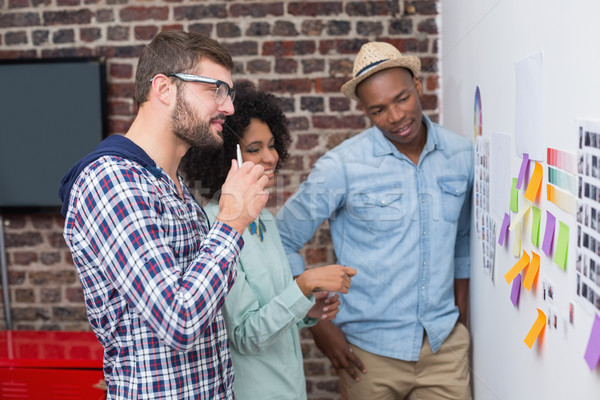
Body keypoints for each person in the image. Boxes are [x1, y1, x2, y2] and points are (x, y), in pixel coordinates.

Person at [58, 31, 269, 400]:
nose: (229, 107)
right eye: (215, 89)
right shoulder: (112, 180)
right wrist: (233, 220)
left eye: (228, 93)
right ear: (164, 88)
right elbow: (179, 321)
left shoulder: (169, 184)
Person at [276, 41, 474, 399]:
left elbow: (461, 238)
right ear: (364, 111)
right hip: (367, 354)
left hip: (444, 349)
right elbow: (282, 238)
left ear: (417, 83)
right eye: (378, 110)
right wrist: (318, 323)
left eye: (402, 98)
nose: (396, 117)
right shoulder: (342, 166)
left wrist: (463, 316)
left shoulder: (461, 155)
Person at [179, 81, 357, 400]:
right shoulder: (215, 225)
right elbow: (245, 335)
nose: (270, 157)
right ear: (226, 156)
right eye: (254, 148)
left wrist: (306, 309)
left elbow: (272, 311)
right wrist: (302, 285)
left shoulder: (263, 218)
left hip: (289, 389)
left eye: (272, 145)